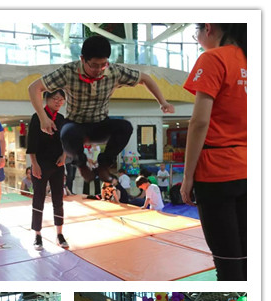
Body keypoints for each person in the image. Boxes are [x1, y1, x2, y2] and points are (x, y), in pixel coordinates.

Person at [28, 35, 174, 183]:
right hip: (76, 125)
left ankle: (104, 166)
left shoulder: (114, 72)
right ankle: (82, 165)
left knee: (125, 127)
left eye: (103, 65)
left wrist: (163, 102)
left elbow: (145, 78)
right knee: (66, 132)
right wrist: (43, 118)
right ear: (82, 59)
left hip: (100, 125)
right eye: (93, 65)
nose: (98, 70)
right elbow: (34, 88)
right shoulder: (68, 72)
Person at [180, 24, 247, 281]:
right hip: (249, 167)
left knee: (228, 260)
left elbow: (199, 122)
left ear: (207, 28)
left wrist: (187, 177)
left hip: (217, 172)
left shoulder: (214, 58)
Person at [27, 89, 69, 251]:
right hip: (40, 164)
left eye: (61, 99)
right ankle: (37, 235)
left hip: (58, 164)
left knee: (58, 199)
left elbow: (66, 141)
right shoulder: (37, 117)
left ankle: (60, 233)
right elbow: (31, 143)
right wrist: (34, 164)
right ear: (47, 99)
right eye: (55, 99)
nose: (58, 102)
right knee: (38, 198)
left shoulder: (61, 119)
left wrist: (64, 156)